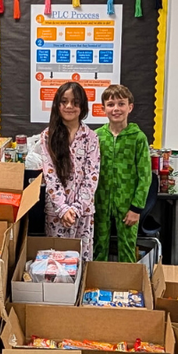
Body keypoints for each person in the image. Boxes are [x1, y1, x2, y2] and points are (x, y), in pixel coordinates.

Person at [41, 82, 100, 261]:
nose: (69, 106)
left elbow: (92, 176)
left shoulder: (91, 137)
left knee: (82, 262)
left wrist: (75, 209)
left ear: (82, 106)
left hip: (83, 213)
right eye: (64, 101)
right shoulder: (47, 135)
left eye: (75, 102)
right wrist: (63, 209)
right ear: (57, 105)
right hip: (56, 213)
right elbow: (50, 175)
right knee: (57, 264)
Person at [94, 84, 152, 263]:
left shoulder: (138, 138)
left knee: (127, 248)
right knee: (98, 247)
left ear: (130, 107)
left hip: (127, 204)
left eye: (121, 104)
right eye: (111, 104)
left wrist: (136, 208)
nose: (116, 109)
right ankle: (95, 285)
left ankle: (128, 288)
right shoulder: (96, 137)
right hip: (100, 203)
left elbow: (145, 176)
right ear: (103, 109)